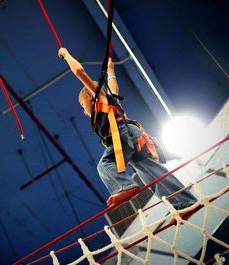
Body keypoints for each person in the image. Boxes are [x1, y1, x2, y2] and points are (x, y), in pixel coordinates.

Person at [58, 47, 197, 214]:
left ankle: (125, 186)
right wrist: (110, 71)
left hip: (124, 136)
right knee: (152, 175)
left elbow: (79, 72)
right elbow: (113, 86)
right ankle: (185, 203)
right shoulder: (111, 100)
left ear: (90, 94)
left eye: (82, 105)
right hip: (133, 138)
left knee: (105, 165)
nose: (84, 111)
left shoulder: (100, 99)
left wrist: (66, 55)